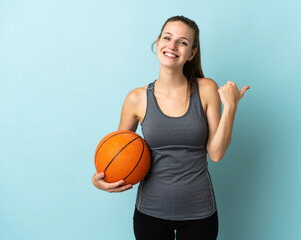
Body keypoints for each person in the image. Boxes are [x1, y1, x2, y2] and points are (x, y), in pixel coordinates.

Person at [92, 15, 250, 240]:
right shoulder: (136, 99)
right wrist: (99, 181)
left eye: (183, 42)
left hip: (200, 213)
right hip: (150, 213)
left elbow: (215, 154)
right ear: (158, 43)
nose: (172, 46)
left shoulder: (206, 90)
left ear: (192, 53)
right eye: (167, 38)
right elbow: (119, 154)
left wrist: (230, 108)